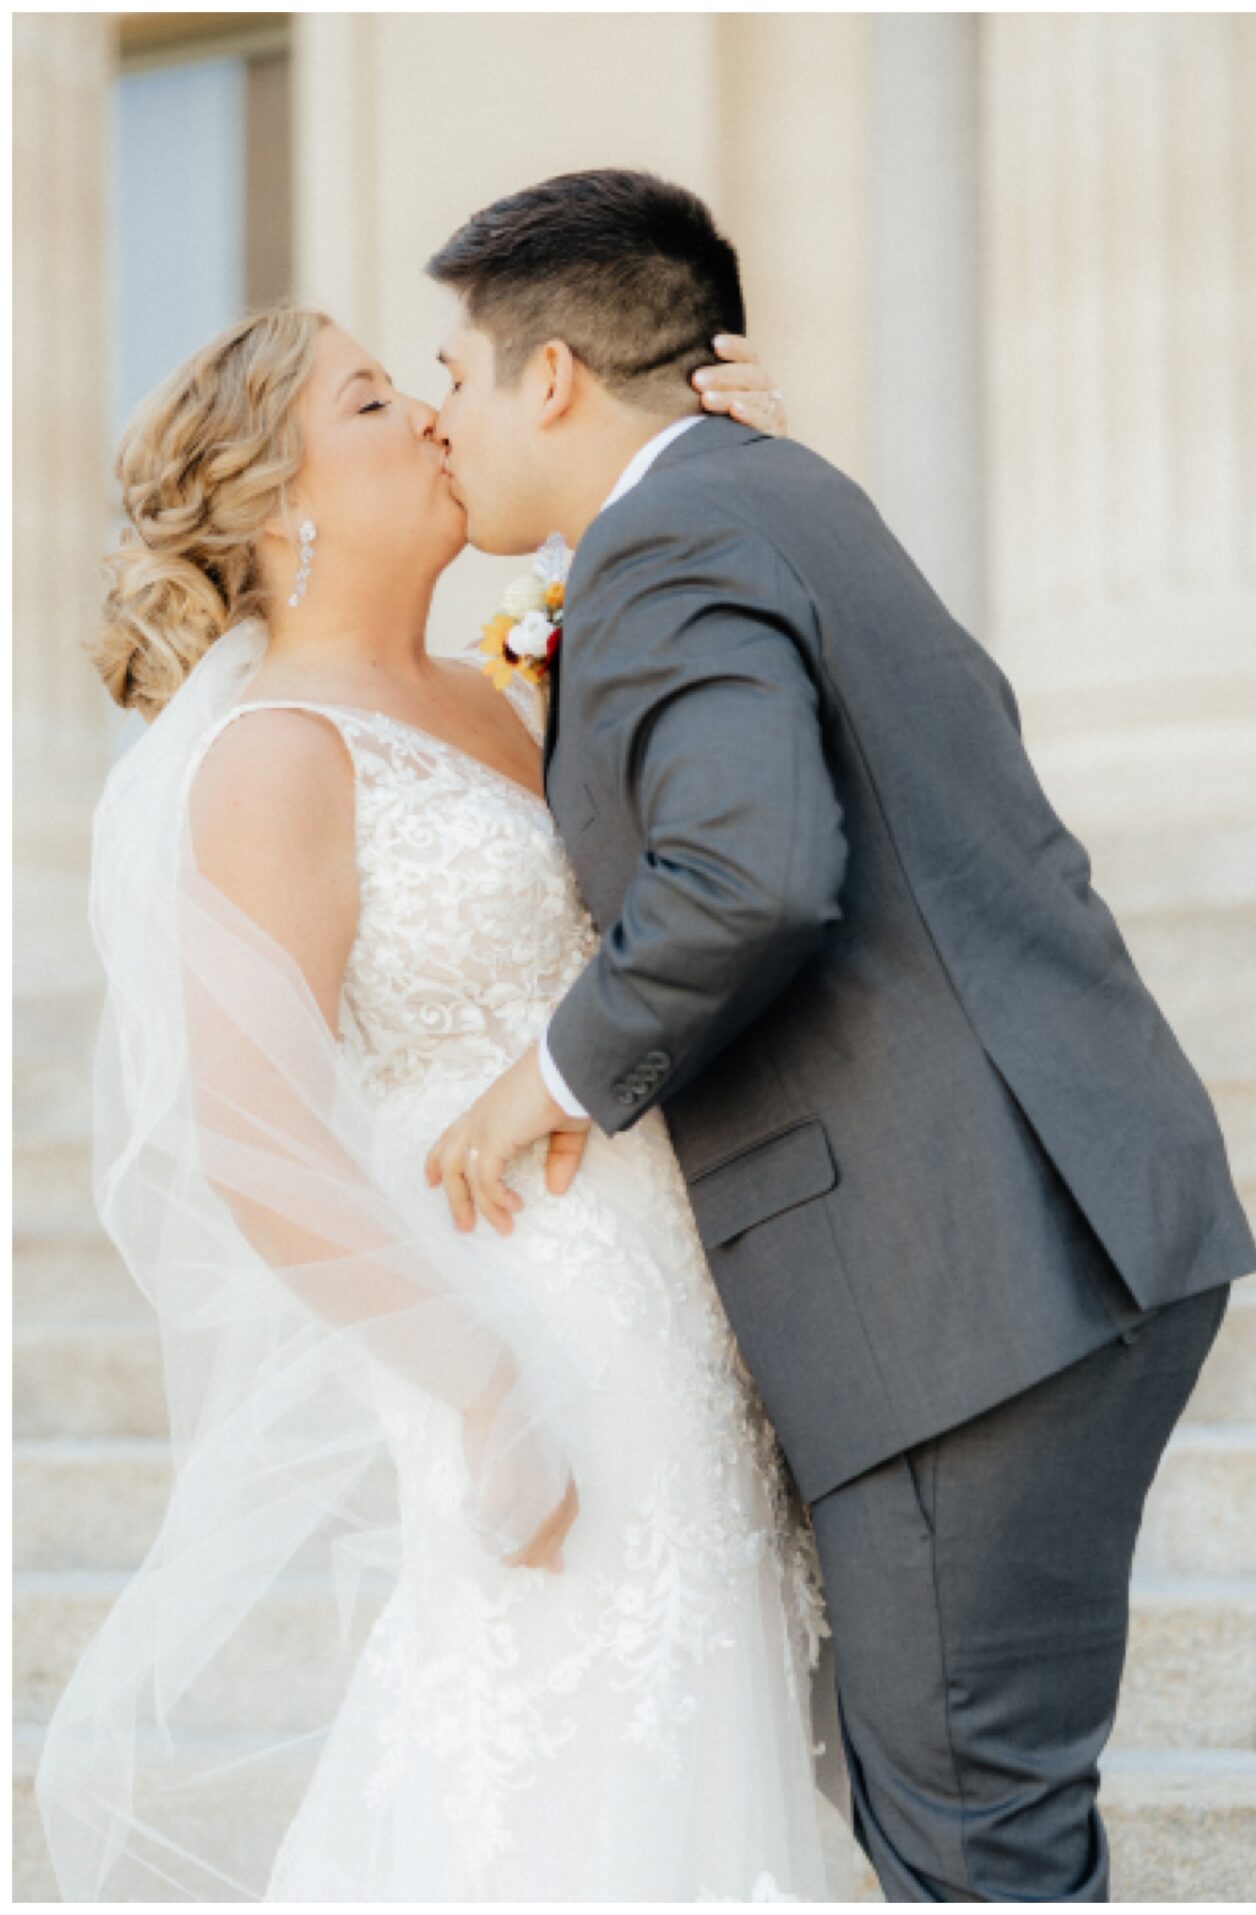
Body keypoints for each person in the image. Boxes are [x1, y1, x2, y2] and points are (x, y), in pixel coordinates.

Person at [415, 169, 1256, 1902]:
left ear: (555, 372)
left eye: (456, 374)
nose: (443, 416)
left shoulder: (674, 538)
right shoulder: (760, 496)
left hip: (965, 1281)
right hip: (1026, 1241)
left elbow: (752, 875)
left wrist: (553, 1071)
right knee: (977, 1829)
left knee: (973, 1850)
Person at [36, 307, 829, 1899]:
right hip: (526, 1324)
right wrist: (487, 1387)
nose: (427, 417)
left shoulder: (503, 693)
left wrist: (731, 474)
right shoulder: (274, 759)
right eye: (373, 400)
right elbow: (257, 1144)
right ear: (282, 504)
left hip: (677, 1296)